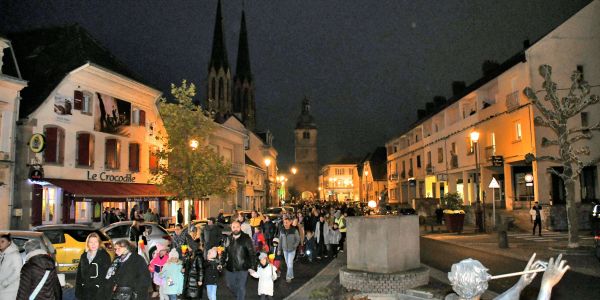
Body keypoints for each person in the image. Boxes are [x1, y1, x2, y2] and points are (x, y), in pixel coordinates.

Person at [223, 220, 256, 300]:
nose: (236, 229)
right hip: (230, 267)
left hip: (243, 267)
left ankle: (240, 297)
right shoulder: (228, 238)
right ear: (231, 228)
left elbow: (252, 253)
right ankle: (239, 295)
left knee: (241, 287)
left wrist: (252, 266)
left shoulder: (246, 238)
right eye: (234, 227)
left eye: (237, 227)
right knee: (230, 285)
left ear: (240, 227)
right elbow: (224, 253)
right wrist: (221, 262)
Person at [75, 233, 112, 300]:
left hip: (99, 291)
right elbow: (79, 274)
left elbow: (108, 275)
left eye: (95, 242)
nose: (93, 244)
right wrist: (78, 289)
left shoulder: (104, 256)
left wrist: (102, 289)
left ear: (99, 243)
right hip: (85, 290)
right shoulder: (84, 256)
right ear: (87, 243)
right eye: (91, 242)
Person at [0, 233, 22, 299]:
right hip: (2, 289)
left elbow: (18, 272)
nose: (0, 243)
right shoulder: (3, 254)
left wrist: (5, 283)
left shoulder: (15, 255)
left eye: (2, 241)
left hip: (10, 290)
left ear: (9, 242)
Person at [278, 217, 300, 283]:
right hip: (285, 250)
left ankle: (288, 277)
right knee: (288, 264)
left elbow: (298, 239)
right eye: (284, 222)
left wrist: (294, 246)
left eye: (286, 222)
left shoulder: (294, 230)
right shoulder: (282, 230)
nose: (285, 224)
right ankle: (291, 275)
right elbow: (280, 240)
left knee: (290, 263)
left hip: (292, 250)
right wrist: (279, 250)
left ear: (290, 222)